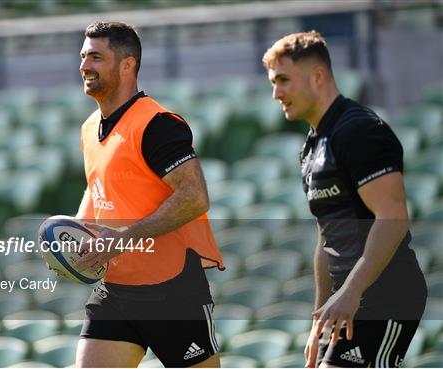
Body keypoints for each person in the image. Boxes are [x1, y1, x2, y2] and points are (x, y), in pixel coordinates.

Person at [262, 31, 427, 368]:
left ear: (317, 76)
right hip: (349, 303)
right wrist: (319, 320)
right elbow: (327, 237)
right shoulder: (311, 146)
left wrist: (351, 291)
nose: (276, 93)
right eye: (272, 82)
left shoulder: (360, 131)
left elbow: (393, 218)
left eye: (283, 80)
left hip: (385, 296)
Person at [71, 21, 223, 368]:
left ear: (127, 65)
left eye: (95, 57)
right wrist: (75, 231)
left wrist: (125, 237)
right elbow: (99, 188)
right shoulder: (88, 127)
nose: (83, 66)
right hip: (115, 288)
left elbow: (195, 197)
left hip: (171, 288)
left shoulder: (158, 123)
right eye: (82, 56)